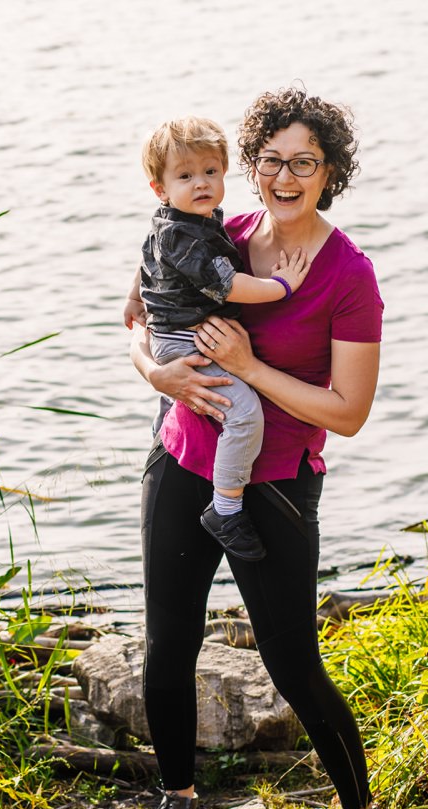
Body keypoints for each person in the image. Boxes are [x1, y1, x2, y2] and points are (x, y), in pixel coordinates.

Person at [120, 88, 385, 809]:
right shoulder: (217, 235)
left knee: (292, 662)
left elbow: (349, 413)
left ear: (330, 170)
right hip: (180, 463)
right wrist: (159, 375)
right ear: (252, 165)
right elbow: (135, 317)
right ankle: (178, 805)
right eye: (270, 159)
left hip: (273, 487)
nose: (283, 175)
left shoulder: (349, 276)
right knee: (168, 648)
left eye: (303, 161)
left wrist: (249, 369)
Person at [138, 116, 311, 561]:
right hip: (183, 339)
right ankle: (226, 507)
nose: (202, 183)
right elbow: (228, 285)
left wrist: (134, 297)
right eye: (186, 175)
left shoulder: (183, 222)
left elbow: (147, 256)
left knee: (222, 401)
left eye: (211, 172)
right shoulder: (189, 238)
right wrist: (281, 287)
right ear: (160, 189)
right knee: (245, 413)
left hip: (179, 331)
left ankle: (173, 437)